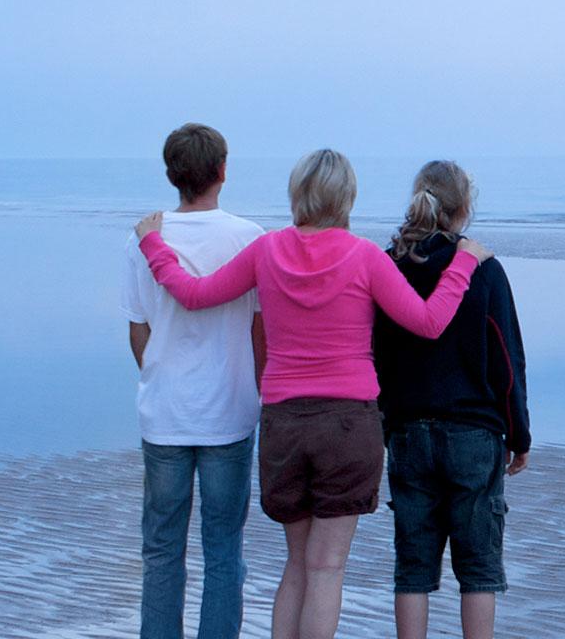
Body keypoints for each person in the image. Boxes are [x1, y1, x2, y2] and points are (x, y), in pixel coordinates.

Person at [133, 148, 492, 639]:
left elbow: (195, 295)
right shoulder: (364, 256)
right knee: (326, 570)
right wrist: (464, 264)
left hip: (284, 423)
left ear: (297, 193)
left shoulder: (267, 250)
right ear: (347, 197)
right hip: (347, 426)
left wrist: (154, 244)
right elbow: (428, 323)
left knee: (297, 565)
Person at [119, 123, 267, 639]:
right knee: (224, 548)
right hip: (229, 411)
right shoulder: (250, 237)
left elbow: (139, 329)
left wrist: (163, 373)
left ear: (171, 175)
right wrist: (256, 389)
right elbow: (259, 330)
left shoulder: (145, 239)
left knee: (161, 549)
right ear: (223, 171)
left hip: (164, 413)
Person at [372, 161, 530, 639]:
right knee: (479, 568)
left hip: (407, 429)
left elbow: (375, 354)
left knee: (413, 568)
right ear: (464, 208)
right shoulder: (483, 269)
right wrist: (519, 434)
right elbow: (507, 359)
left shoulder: (389, 264)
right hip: (473, 431)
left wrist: (383, 425)